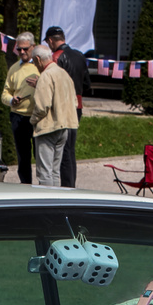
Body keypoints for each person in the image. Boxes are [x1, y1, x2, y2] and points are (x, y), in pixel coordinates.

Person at [44, 26, 90, 188]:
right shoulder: (80, 56)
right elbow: (87, 84)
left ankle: (66, 186)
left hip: (62, 106)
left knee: (62, 149)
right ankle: (70, 184)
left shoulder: (56, 57)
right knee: (70, 149)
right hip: (77, 105)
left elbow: (52, 83)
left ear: (50, 41)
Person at [29, 43, 77, 187]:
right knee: (55, 171)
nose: (34, 65)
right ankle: (57, 201)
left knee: (44, 172)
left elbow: (42, 106)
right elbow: (74, 102)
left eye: (34, 62)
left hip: (48, 127)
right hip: (64, 127)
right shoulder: (64, 74)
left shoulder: (46, 75)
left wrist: (33, 120)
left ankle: (46, 203)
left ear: (38, 59)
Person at [2, 33, 39, 185]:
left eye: (25, 49)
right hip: (18, 116)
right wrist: (12, 100)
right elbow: (5, 92)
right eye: (19, 49)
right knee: (23, 156)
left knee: (40, 154)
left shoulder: (40, 66)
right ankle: (26, 185)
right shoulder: (14, 68)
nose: (22, 52)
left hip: (37, 116)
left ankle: (44, 186)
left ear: (33, 47)